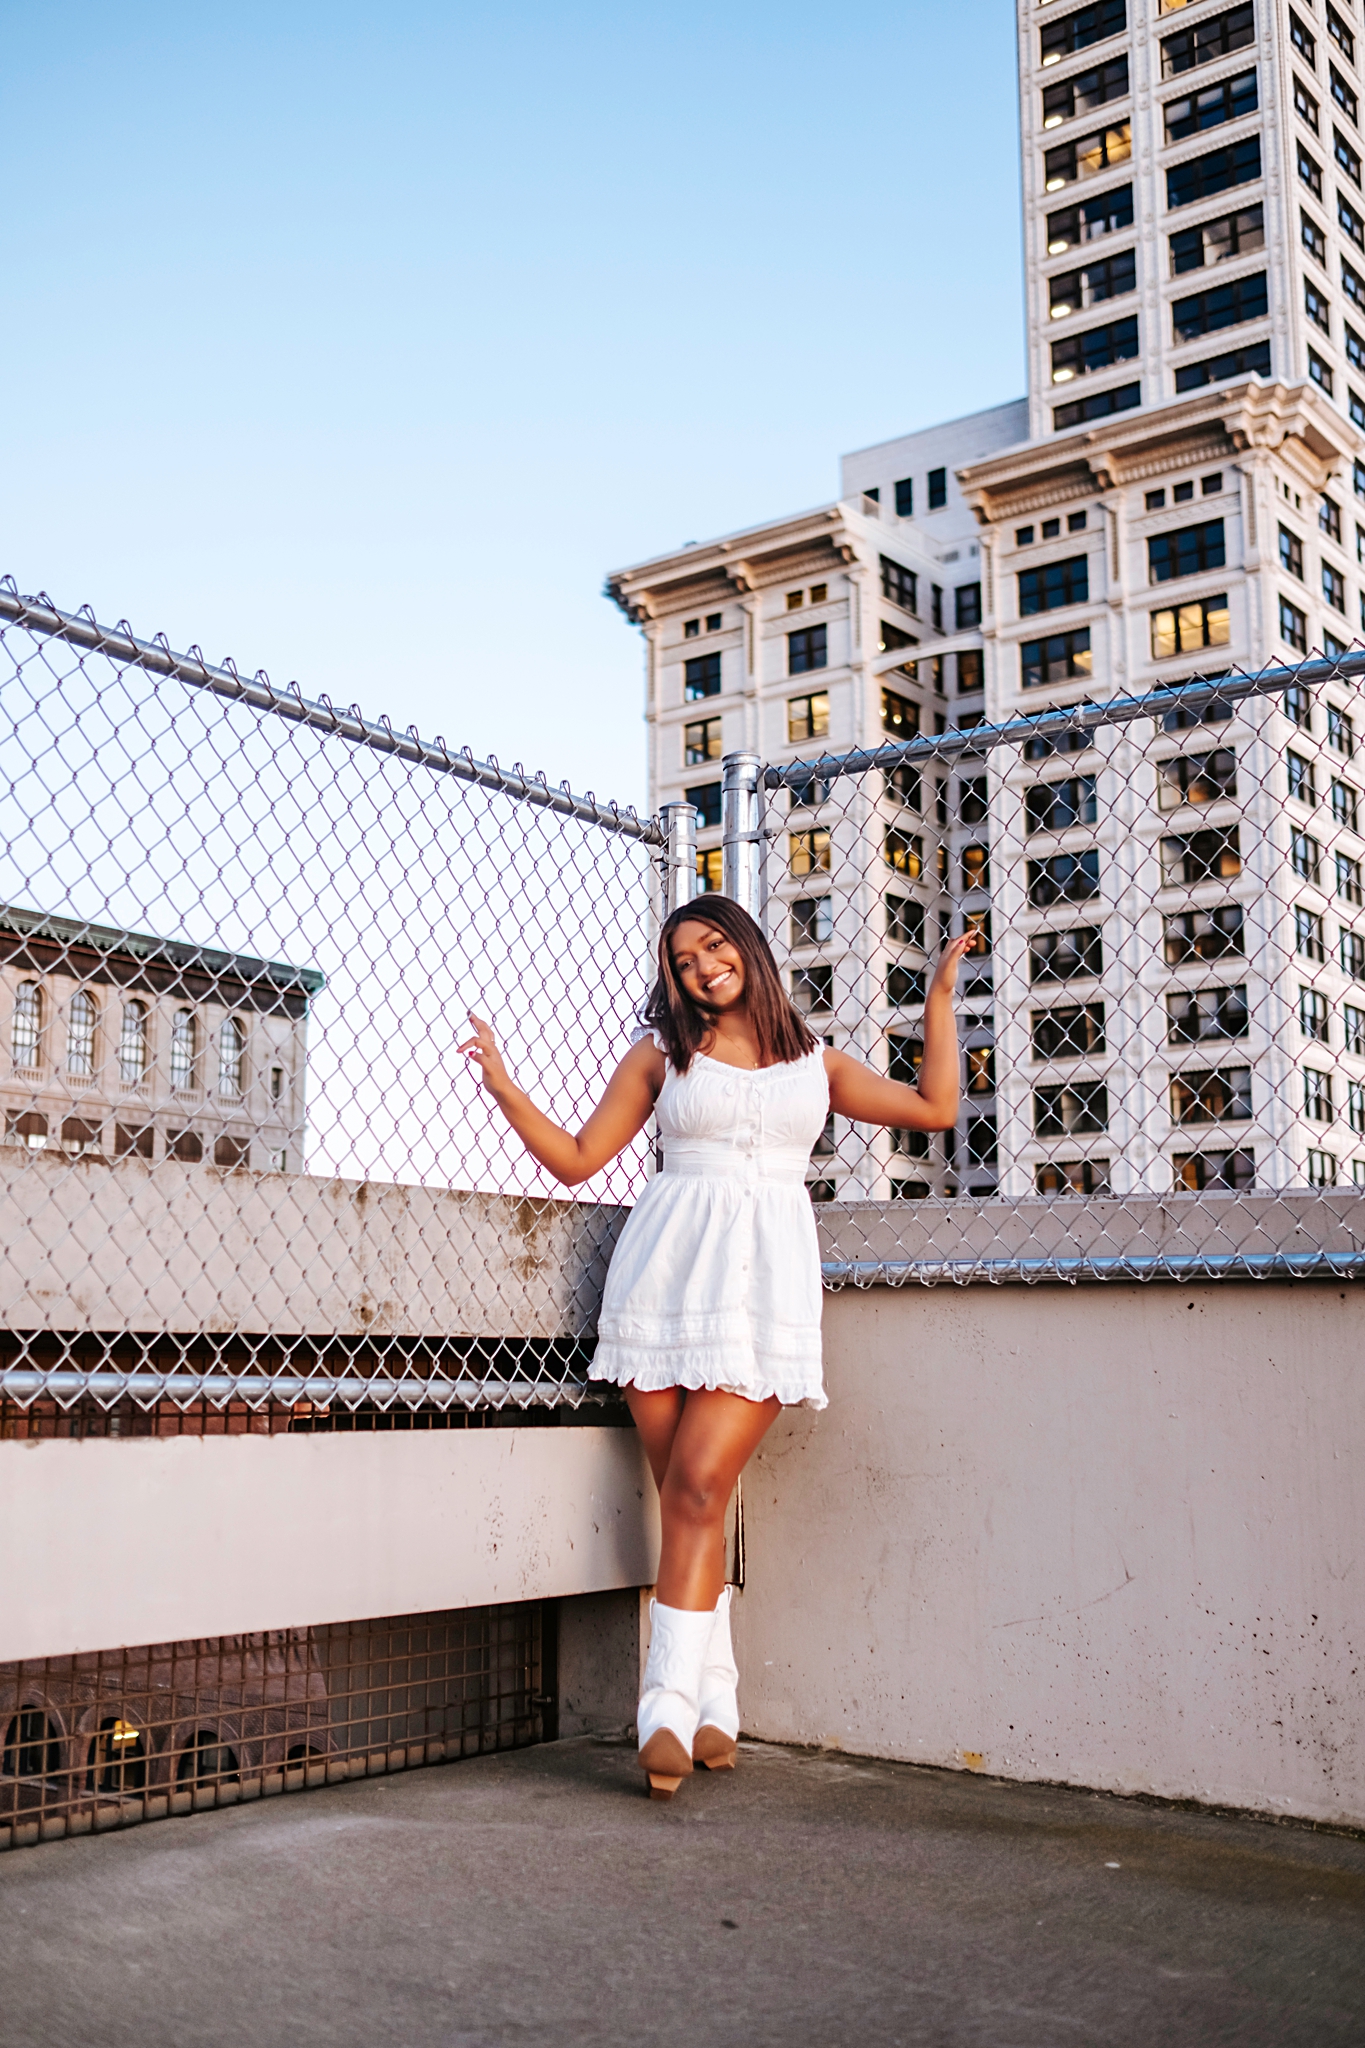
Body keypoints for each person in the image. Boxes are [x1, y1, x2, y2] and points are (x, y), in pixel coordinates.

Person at [459, 895, 971, 1798]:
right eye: (681, 959)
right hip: (659, 1285)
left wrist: (937, 998)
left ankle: (661, 1701)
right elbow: (580, 1159)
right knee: (686, 1500)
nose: (700, 966)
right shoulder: (663, 1059)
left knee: (696, 1490)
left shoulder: (816, 1066)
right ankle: (713, 1702)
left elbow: (935, 1108)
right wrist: (503, 1085)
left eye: (711, 944)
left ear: (746, 947)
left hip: (761, 1295)